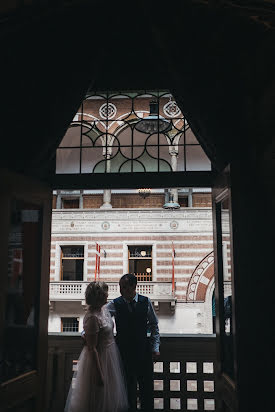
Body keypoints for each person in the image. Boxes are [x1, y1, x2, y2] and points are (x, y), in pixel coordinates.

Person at [64, 281, 128, 412]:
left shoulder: (104, 310)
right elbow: (91, 348)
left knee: (110, 397)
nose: (107, 295)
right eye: (105, 293)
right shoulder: (92, 317)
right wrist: (99, 373)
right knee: (97, 398)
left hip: (110, 355)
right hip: (99, 359)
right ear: (98, 296)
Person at [107, 273, 160, 412]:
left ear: (134, 287)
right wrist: (85, 332)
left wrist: (155, 347)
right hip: (123, 353)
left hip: (143, 352)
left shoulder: (145, 301)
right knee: (126, 390)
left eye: (124, 287)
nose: (121, 290)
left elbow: (154, 325)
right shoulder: (115, 303)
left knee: (146, 390)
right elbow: (99, 316)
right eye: (120, 287)